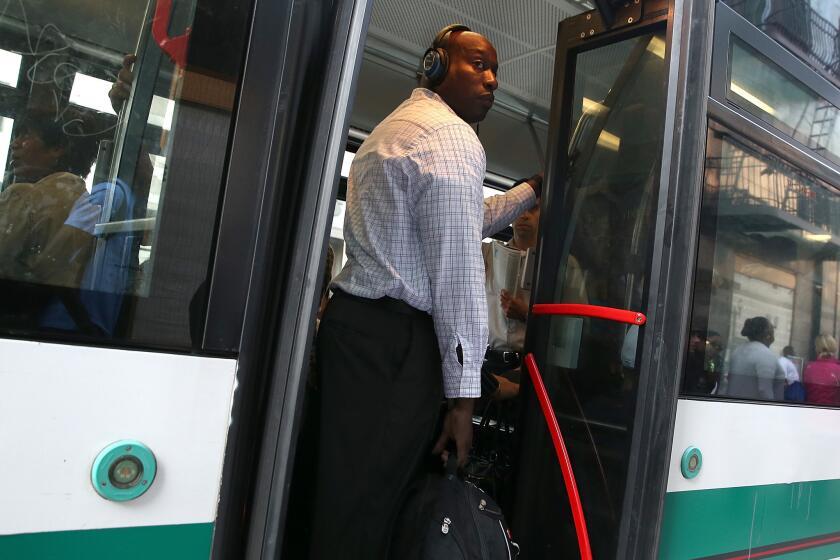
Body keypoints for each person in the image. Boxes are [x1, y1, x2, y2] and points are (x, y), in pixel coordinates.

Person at [311, 25, 542, 559]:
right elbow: (458, 271)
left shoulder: (396, 128)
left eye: (495, 71)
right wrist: (464, 399)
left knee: (344, 491)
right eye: (478, 65)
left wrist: (530, 189)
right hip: (395, 344)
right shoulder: (453, 138)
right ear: (436, 64)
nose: (491, 81)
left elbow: (462, 221)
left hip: (357, 329)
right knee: (372, 503)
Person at [481, 200, 541, 399]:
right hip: (487, 361)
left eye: (533, 209)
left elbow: (570, 329)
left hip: (529, 366)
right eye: (520, 209)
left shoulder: (562, 266)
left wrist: (526, 315)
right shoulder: (485, 253)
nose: (524, 215)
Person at [723, 316, 784, 401]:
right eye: (772, 332)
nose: (774, 338)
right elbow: (765, 391)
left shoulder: (738, 350)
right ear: (768, 335)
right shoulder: (766, 355)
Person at [802, 334, 840, 405]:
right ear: (834, 348)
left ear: (817, 349)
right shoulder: (838, 369)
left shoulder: (808, 367)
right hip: (833, 412)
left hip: (810, 411)